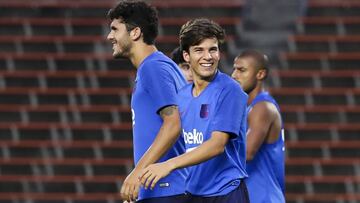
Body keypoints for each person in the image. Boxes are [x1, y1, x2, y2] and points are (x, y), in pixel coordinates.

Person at [139, 18, 249, 203]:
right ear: (186, 56)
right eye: (199, 50)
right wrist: (138, 179)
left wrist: (169, 165)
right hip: (193, 192)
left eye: (212, 49)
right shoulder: (181, 97)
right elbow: (171, 143)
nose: (208, 56)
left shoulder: (230, 90)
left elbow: (217, 145)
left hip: (226, 193)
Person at [106, 1, 188, 202]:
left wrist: (137, 173)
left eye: (115, 29)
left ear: (135, 33)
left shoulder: (153, 68)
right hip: (161, 190)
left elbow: (173, 124)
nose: (110, 36)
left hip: (167, 190)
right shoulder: (159, 67)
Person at [231, 50, 285, 203]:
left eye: (241, 70)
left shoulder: (263, 107)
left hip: (263, 197)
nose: (234, 75)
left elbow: (247, 153)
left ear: (260, 74)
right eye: (234, 69)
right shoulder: (248, 108)